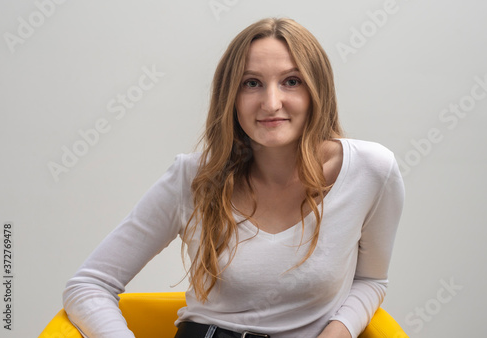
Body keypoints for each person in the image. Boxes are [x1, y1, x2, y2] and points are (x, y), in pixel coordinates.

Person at [63, 17, 405, 338]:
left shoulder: (371, 170)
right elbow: (88, 285)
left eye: (291, 81)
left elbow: (371, 279)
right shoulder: (193, 177)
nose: (271, 103)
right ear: (231, 98)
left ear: (318, 91)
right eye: (251, 83)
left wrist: (338, 331)